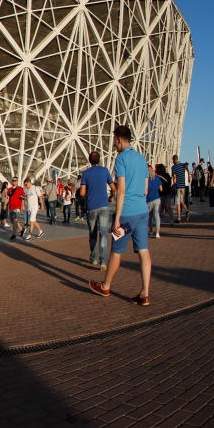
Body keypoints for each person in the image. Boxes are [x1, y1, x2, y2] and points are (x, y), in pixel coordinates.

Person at [89, 125, 151, 306]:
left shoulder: (121, 159)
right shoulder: (141, 159)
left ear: (118, 139)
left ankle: (105, 286)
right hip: (142, 211)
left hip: (127, 213)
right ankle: (145, 293)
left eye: (114, 139)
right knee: (144, 251)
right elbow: (146, 189)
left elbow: (121, 190)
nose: (114, 143)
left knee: (116, 251)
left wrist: (117, 218)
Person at [80, 152, 115, 269]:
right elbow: (113, 188)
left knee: (93, 234)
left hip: (91, 206)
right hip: (104, 206)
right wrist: (111, 196)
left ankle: (94, 258)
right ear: (99, 159)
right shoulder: (105, 171)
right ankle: (103, 262)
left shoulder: (85, 173)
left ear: (89, 161)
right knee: (104, 234)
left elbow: (82, 193)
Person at [171, 155, 191, 224]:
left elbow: (174, 177)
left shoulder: (174, 167)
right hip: (183, 186)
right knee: (182, 201)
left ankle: (179, 218)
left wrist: (174, 185)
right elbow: (187, 172)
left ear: (173, 160)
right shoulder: (183, 165)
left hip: (178, 186)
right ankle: (187, 211)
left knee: (178, 203)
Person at [146, 164, 163, 239]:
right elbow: (161, 189)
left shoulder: (147, 180)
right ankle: (157, 232)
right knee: (156, 215)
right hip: (157, 199)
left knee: (149, 216)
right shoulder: (157, 179)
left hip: (149, 200)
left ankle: (150, 231)